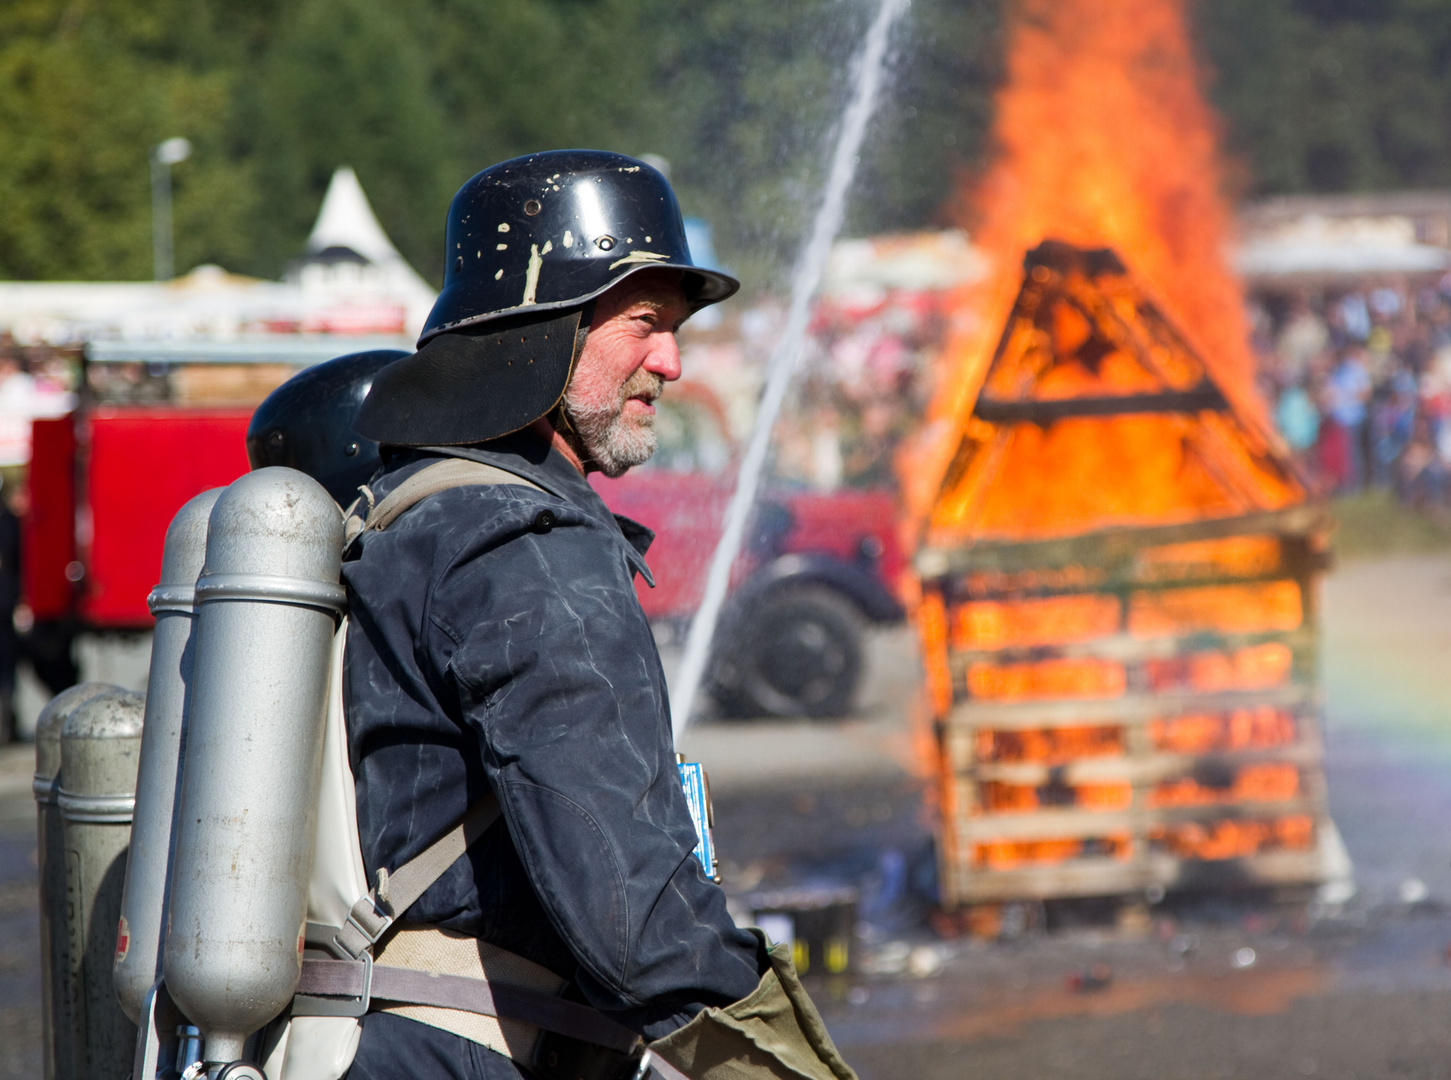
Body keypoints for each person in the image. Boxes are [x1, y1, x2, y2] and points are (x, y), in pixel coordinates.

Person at [340, 150, 856, 1080]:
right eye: (643, 324)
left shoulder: (419, 507)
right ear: (541, 331)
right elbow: (631, 906)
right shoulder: (524, 541)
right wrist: (782, 1065)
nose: (672, 360)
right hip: (468, 1054)